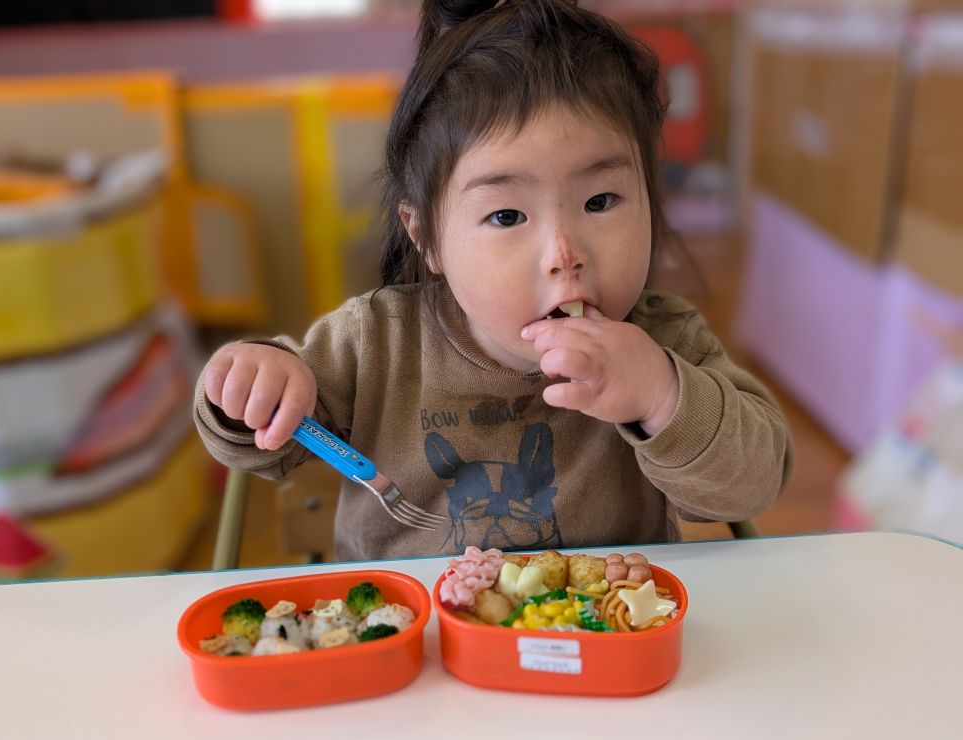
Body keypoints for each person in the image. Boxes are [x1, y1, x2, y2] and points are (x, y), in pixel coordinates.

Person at [194, 0, 792, 562]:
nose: (564, 254)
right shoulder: (375, 344)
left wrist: (663, 398)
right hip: (417, 652)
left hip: (600, 650)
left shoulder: (664, 340)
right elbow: (258, 445)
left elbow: (751, 486)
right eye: (507, 216)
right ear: (426, 236)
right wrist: (252, 387)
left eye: (602, 200)